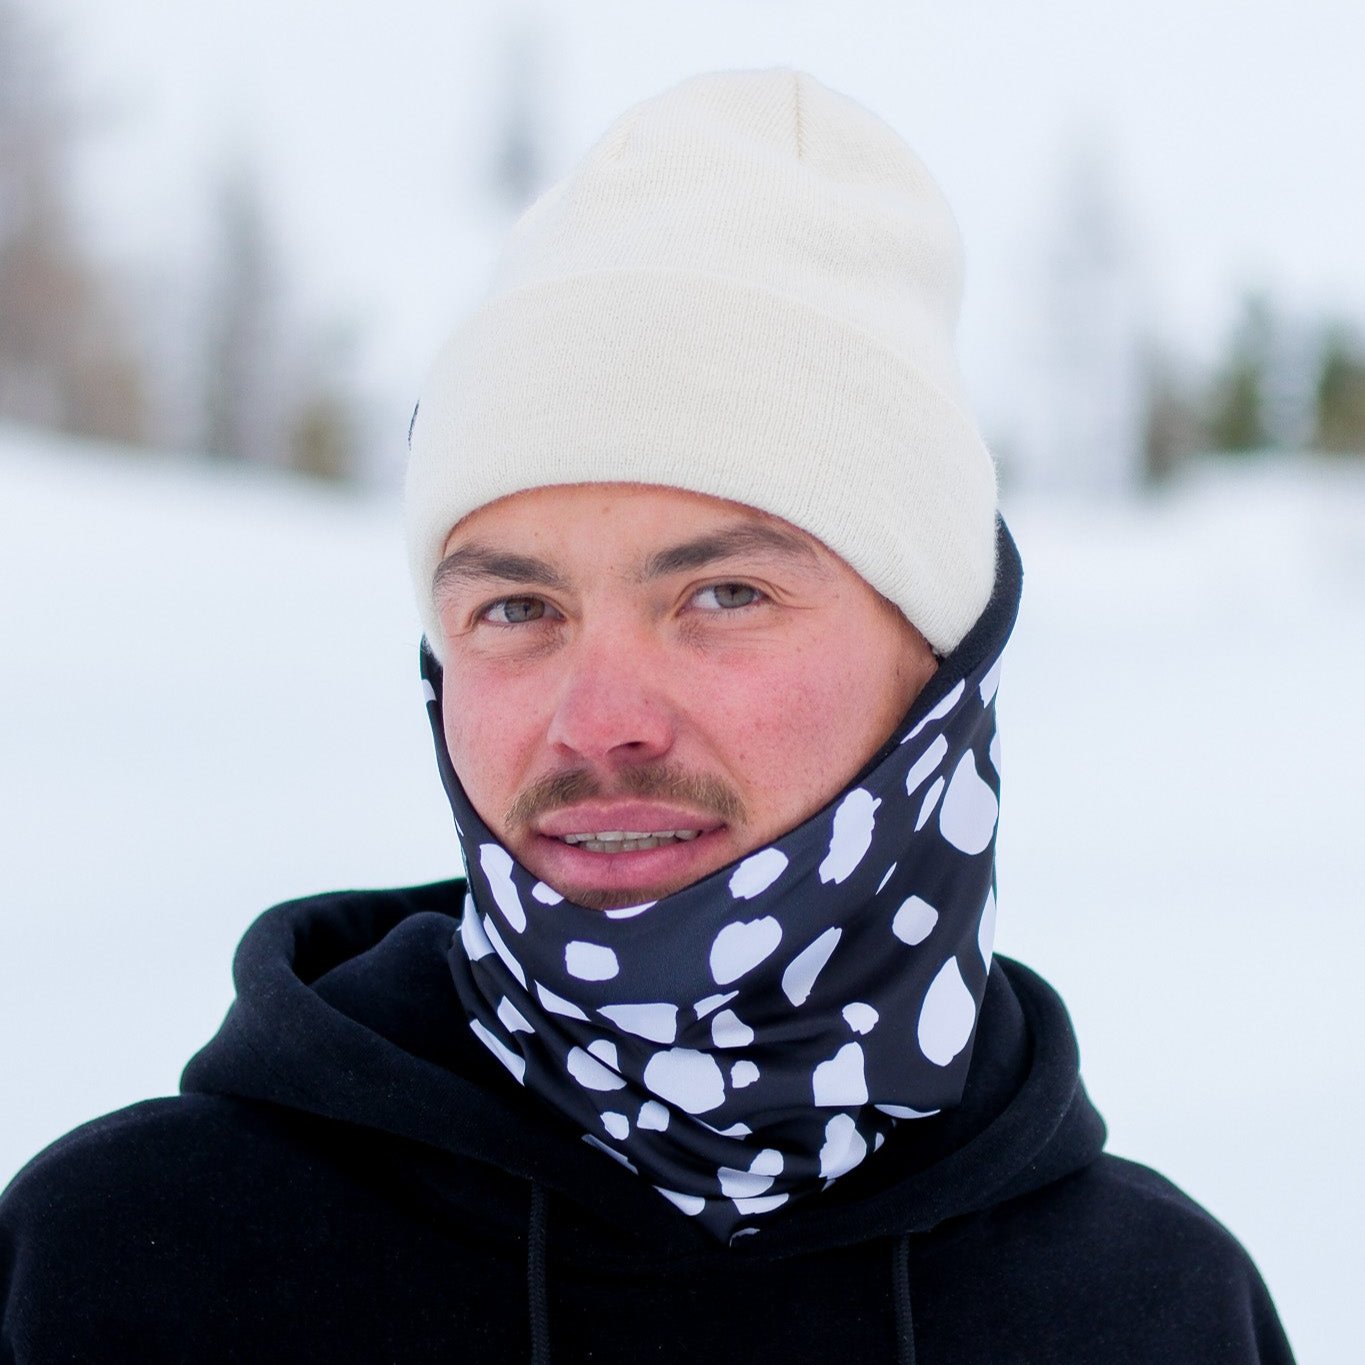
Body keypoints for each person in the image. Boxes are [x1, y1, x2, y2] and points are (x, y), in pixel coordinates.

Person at [0, 69, 1293, 1363]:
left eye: (723, 594)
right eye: (518, 608)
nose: (599, 721)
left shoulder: (1156, 1309)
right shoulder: (123, 1264)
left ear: (940, 666)